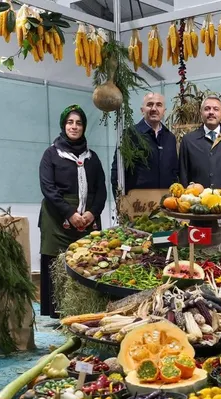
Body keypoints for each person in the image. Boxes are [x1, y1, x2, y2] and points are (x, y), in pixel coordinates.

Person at [38, 105, 107, 318]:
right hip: (57, 216)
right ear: (63, 125)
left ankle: (85, 308)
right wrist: (70, 213)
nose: (74, 127)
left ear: (84, 127)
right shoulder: (51, 154)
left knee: (87, 261)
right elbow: (48, 188)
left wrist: (91, 213)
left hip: (88, 217)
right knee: (56, 262)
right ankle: (57, 311)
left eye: (78, 123)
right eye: (70, 122)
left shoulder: (92, 157)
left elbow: (101, 190)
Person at [110, 92, 178, 196]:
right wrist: (121, 204)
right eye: (149, 104)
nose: (154, 108)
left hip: (166, 204)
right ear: (142, 110)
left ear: (164, 111)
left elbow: (174, 172)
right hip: (137, 205)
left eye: (159, 105)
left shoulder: (170, 138)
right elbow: (117, 173)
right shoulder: (129, 135)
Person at [179, 95, 221, 189]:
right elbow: (183, 174)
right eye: (207, 109)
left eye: (216, 109)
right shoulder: (188, 140)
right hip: (197, 200)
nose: (211, 112)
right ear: (201, 113)